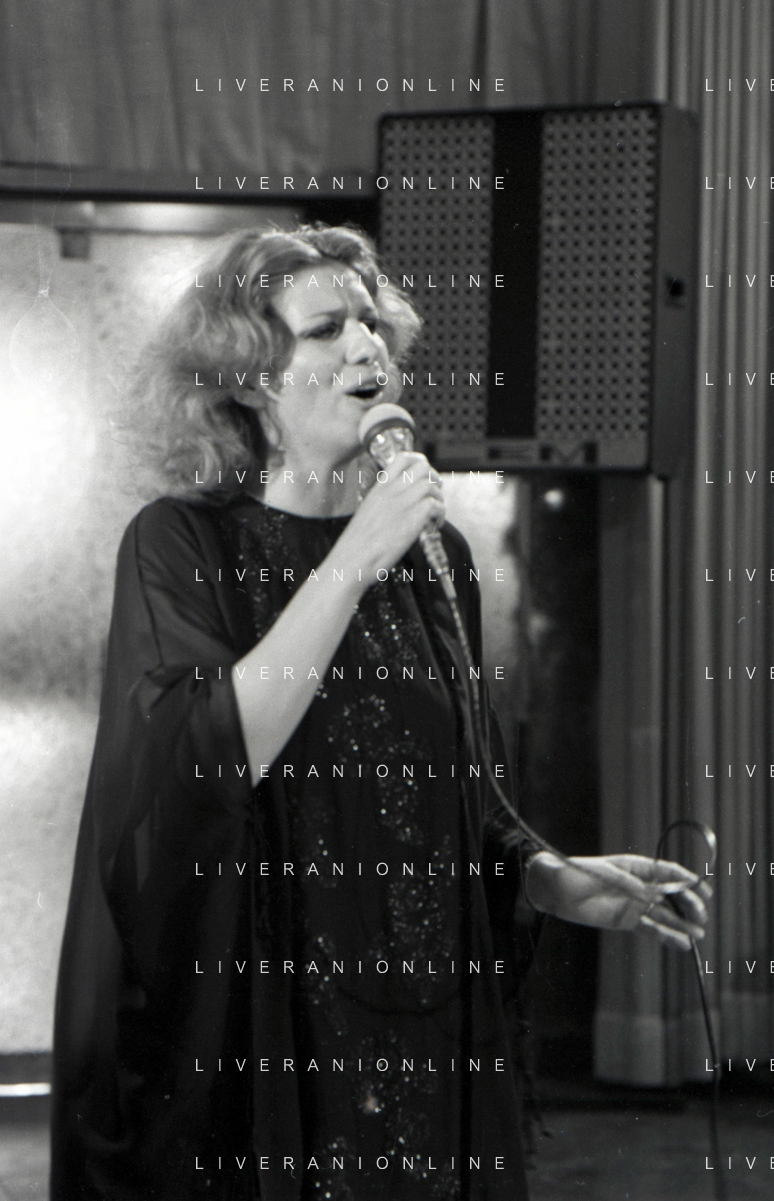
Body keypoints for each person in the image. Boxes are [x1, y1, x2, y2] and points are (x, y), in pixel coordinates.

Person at [50, 224, 708, 1201]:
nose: (368, 346)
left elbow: (454, 793)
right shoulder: (181, 545)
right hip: (268, 1029)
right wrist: (358, 553)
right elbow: (201, 763)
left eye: (371, 323)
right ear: (250, 378)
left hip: (418, 1027)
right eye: (327, 328)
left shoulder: (433, 562)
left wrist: (547, 877)